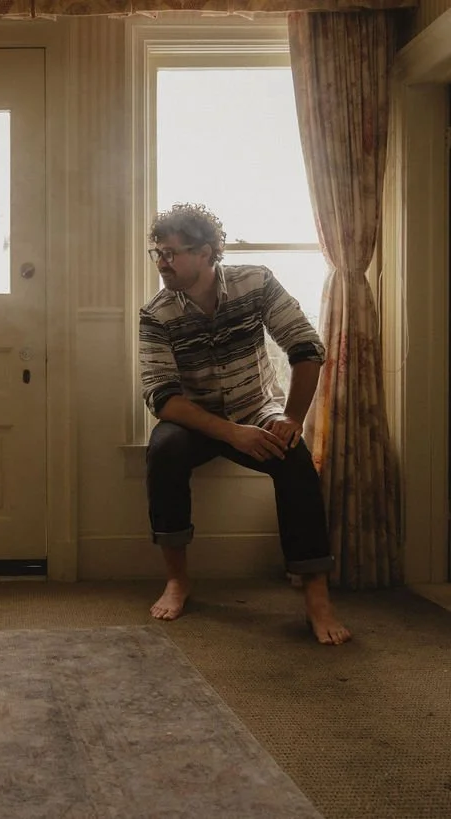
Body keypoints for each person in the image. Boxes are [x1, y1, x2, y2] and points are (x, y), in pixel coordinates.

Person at [138, 203, 351, 646]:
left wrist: (292, 418)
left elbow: (306, 346)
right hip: (196, 419)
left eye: (172, 253)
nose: (162, 262)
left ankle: (316, 595)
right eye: (157, 252)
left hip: (257, 407)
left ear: (209, 252)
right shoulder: (156, 313)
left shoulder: (257, 282)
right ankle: (178, 580)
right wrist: (231, 433)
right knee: (164, 450)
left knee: (293, 458)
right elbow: (162, 397)